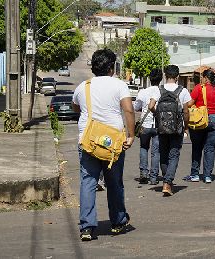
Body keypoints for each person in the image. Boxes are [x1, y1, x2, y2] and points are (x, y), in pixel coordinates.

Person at [72, 49, 135, 241]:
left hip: (88, 140)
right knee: (114, 183)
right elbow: (129, 110)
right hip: (113, 143)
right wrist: (131, 136)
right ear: (111, 67)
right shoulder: (119, 85)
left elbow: (76, 106)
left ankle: (87, 228)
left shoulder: (83, 86)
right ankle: (117, 222)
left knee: (88, 182)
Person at [148, 65, 191, 196]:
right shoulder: (182, 91)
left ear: (165, 76)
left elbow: (150, 106)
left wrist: (158, 115)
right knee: (174, 155)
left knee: (163, 154)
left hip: (161, 128)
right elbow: (186, 111)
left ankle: (166, 180)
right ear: (177, 77)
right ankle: (167, 183)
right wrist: (186, 127)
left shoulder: (158, 90)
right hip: (176, 129)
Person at [184, 69, 215, 183]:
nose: (201, 79)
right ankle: (207, 176)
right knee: (210, 149)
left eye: (202, 77)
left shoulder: (199, 88)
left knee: (197, 148)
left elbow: (190, 103)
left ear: (206, 78)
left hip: (200, 120)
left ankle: (195, 175)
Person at [133, 68, 162, 185]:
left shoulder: (143, 92)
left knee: (144, 148)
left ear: (150, 79)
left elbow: (136, 107)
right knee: (156, 151)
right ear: (160, 79)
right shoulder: (162, 92)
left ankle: (144, 173)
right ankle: (154, 177)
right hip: (158, 125)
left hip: (145, 125)